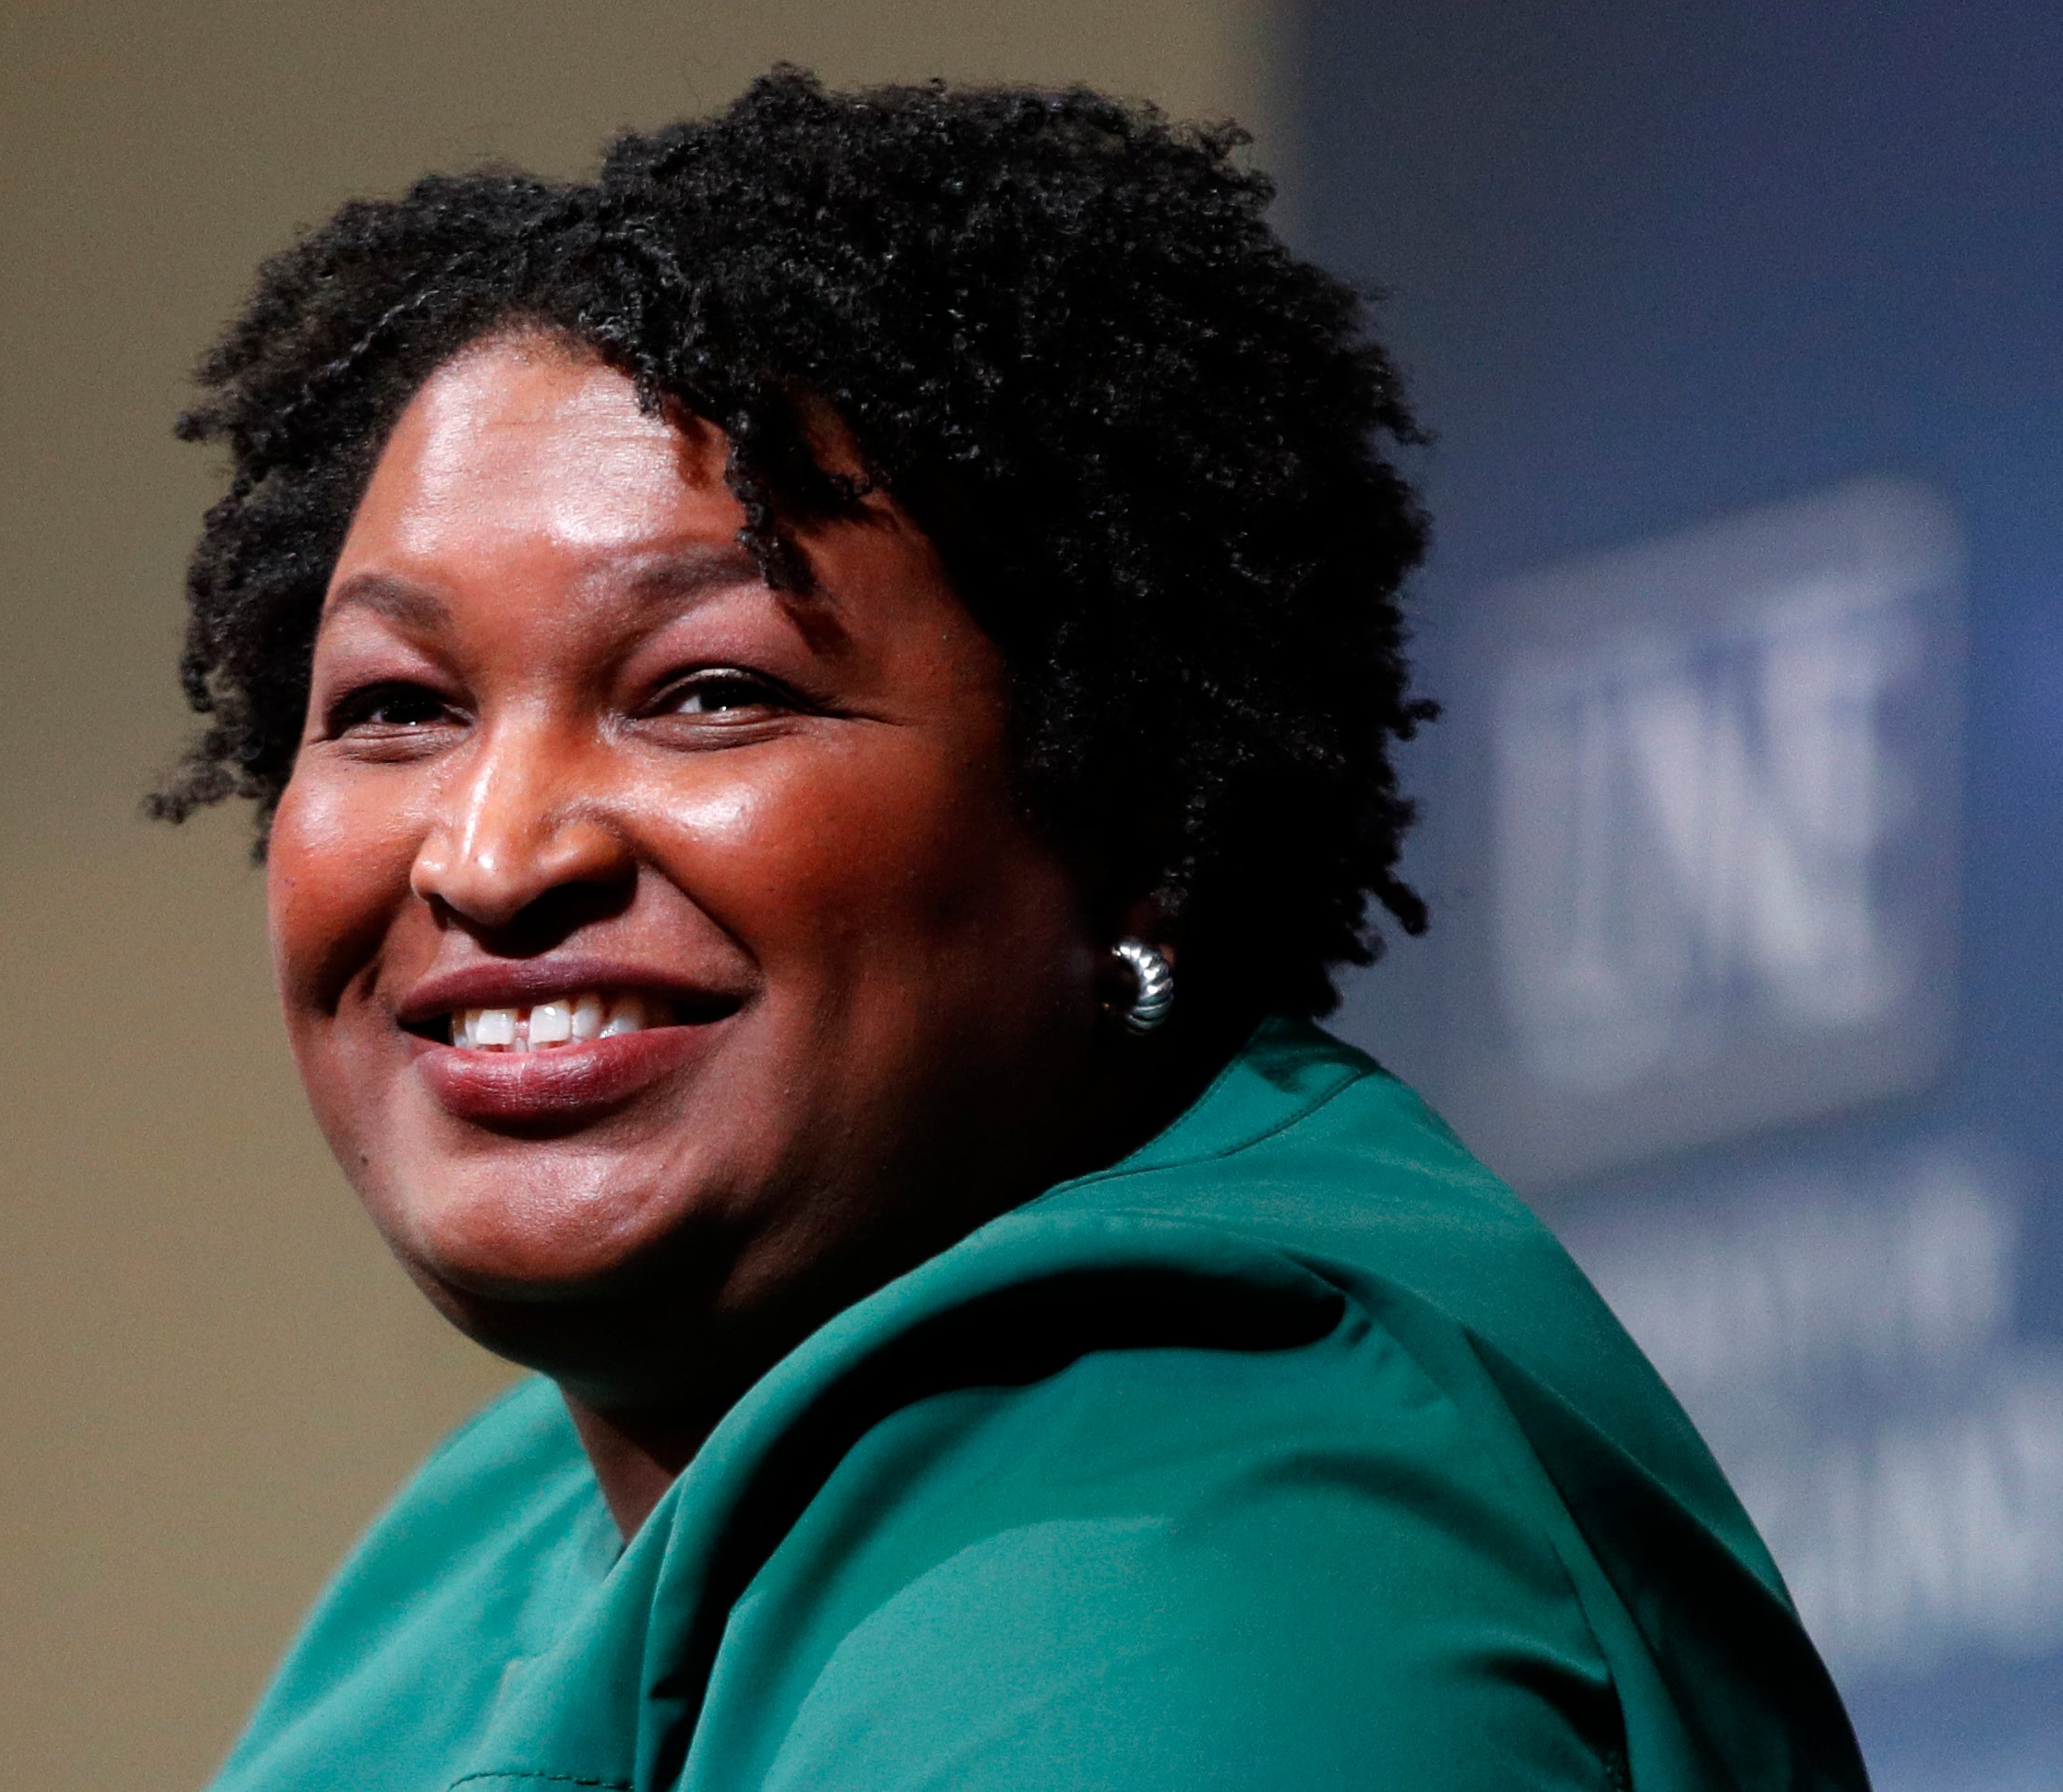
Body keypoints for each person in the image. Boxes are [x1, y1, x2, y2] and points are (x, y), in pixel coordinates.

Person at [152, 69, 1865, 1792]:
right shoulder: (483, 1551)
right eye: (393, 708)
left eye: (711, 693)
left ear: (1129, 814)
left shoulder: (1193, 1534)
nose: (493, 853)